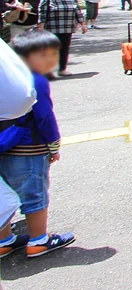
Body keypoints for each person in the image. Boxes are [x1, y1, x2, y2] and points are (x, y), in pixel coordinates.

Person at [0, 30, 73, 258]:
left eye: (54, 54)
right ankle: (39, 240)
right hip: (30, 148)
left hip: (4, 147)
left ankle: (4, 240)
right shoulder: (36, 80)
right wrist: (53, 144)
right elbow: (44, 117)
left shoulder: (8, 80)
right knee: (35, 195)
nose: (51, 60)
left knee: (6, 195)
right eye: (43, 55)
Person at [36, 0, 86, 77]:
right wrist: (41, 28)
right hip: (52, 28)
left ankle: (62, 69)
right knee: (51, 50)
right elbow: (42, 14)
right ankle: (49, 70)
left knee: (64, 48)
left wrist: (83, 24)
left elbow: (77, 11)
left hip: (67, 27)